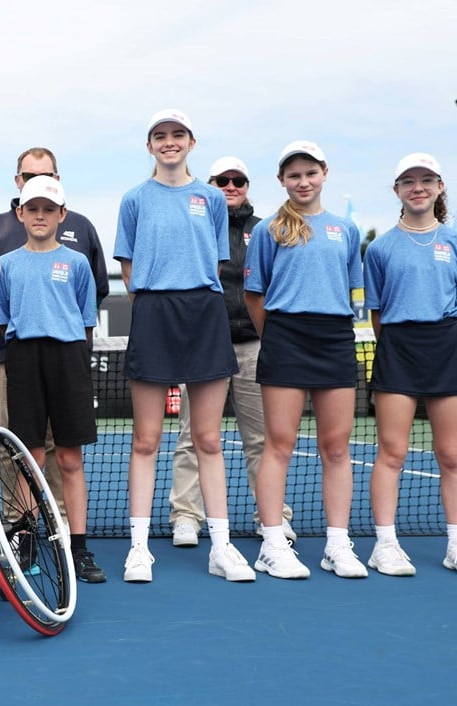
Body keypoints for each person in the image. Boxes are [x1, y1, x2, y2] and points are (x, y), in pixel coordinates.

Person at [113, 110, 254, 583]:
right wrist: (159, 296)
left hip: (204, 313)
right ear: (149, 145)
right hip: (154, 313)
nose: (169, 142)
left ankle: (222, 547)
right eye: (159, 136)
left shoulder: (212, 198)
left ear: (191, 142)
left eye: (177, 135)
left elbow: (214, 262)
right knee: (146, 439)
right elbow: (129, 272)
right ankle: (138, 549)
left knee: (209, 439)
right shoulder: (134, 200)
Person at [0, 146, 108, 566]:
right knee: (31, 456)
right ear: (20, 212)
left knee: (69, 456)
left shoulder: (78, 263)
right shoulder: (7, 265)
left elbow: (86, 317)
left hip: (68, 357)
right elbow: (5, 314)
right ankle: (28, 538)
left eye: (49, 209)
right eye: (32, 208)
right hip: (23, 359)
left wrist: (71, 354)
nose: (40, 216)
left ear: (61, 214)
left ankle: (78, 546)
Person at [245, 140, 366, 580]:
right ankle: (273, 544)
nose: (303, 181)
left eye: (310, 173)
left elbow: (351, 287)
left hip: (334, 338)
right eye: (293, 175)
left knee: (336, 449)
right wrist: (276, 336)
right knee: (280, 445)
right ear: (282, 180)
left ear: (324, 173)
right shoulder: (269, 229)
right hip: (286, 338)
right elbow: (254, 294)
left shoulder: (345, 231)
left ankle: (337, 545)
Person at [168, 157, 296, 546]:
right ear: (209, 185)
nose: (230, 185)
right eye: (221, 180)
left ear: (246, 185)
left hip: (255, 348)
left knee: (262, 438)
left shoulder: (265, 231)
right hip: (206, 348)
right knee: (193, 438)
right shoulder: (196, 227)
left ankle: (272, 517)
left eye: (237, 179)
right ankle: (186, 517)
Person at [364, 153, 457, 576]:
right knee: (393, 452)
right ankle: (384, 545)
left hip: (447, 347)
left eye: (426, 180)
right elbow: (377, 314)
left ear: (439, 187)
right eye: (408, 181)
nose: (417, 187)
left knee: (451, 455)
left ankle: (455, 543)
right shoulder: (380, 248)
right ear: (397, 191)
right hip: (399, 348)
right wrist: (401, 343)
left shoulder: (453, 241)